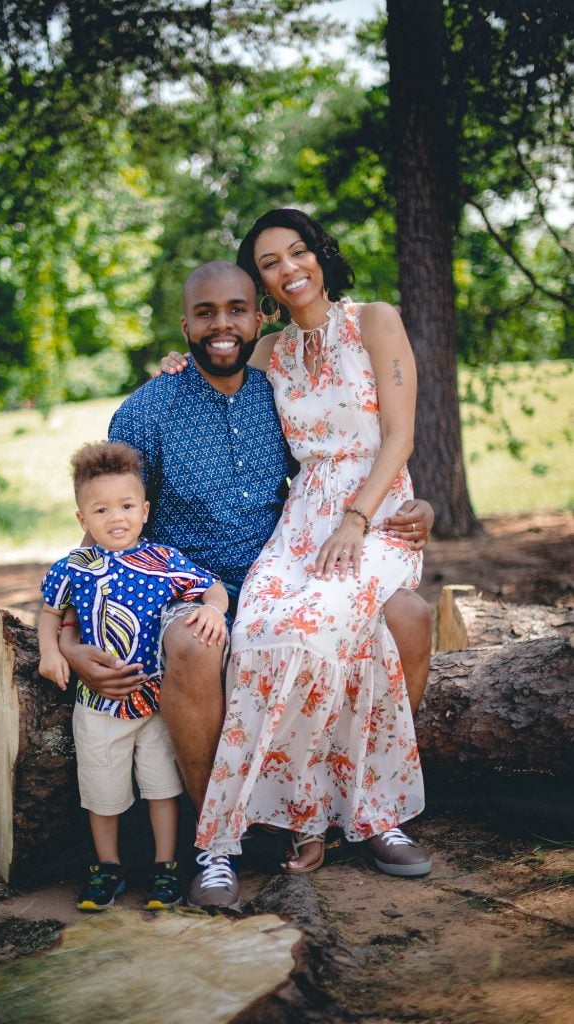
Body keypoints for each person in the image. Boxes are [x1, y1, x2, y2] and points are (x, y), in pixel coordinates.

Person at [57, 258, 434, 910]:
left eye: (236, 309)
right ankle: (216, 843)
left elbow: (338, 464)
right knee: (196, 647)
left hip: (285, 571)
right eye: (205, 313)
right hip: (185, 587)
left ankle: (369, 809)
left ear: (258, 319)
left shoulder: (278, 394)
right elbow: (104, 529)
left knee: (408, 616)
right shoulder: (146, 413)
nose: (221, 325)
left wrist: (415, 509)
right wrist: (67, 640)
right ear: (185, 326)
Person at [193, 207, 428, 893]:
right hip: (301, 522)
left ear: (319, 255)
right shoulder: (269, 353)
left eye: (297, 253)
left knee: (312, 632)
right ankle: (318, 819)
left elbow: (400, 437)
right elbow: (216, 366)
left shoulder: (375, 321)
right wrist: (183, 360)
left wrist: (356, 519)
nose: (288, 269)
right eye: (270, 262)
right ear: (259, 281)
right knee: (260, 633)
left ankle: (309, 819)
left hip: (376, 513)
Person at [38, 440, 228, 911]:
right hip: (98, 706)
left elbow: (212, 587)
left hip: (156, 703)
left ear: (144, 510)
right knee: (102, 791)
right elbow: (48, 611)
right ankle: (107, 868)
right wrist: (49, 651)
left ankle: (166, 867)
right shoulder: (74, 567)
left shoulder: (164, 559)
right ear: (83, 519)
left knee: (162, 788)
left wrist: (216, 612)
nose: (115, 517)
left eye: (126, 506)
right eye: (101, 509)